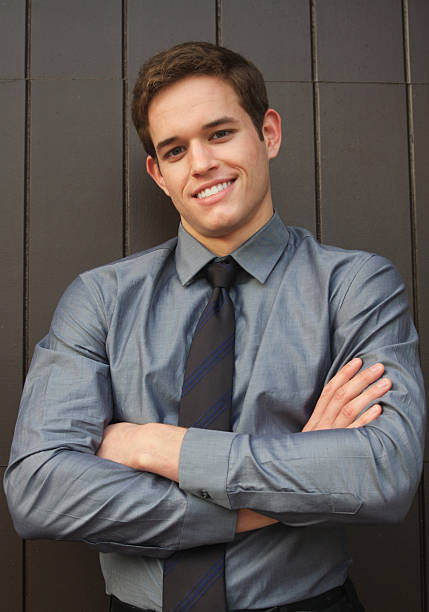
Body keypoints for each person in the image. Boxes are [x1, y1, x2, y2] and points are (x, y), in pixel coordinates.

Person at [4, 42, 425, 612]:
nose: (201, 163)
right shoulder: (100, 299)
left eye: (220, 133)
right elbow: (38, 491)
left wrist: (154, 445)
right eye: (175, 150)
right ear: (158, 173)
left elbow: (383, 469)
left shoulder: (353, 287)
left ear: (268, 133)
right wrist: (285, 487)